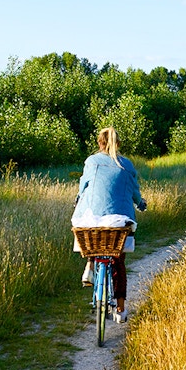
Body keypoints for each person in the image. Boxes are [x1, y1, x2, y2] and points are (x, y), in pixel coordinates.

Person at [72, 127, 146, 323]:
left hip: (91, 219)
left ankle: (89, 263)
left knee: (86, 230)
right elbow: (134, 192)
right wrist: (141, 204)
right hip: (119, 221)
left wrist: (78, 198)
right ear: (118, 144)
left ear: (99, 143)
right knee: (118, 261)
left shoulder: (91, 162)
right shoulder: (127, 165)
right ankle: (120, 309)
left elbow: (83, 186)